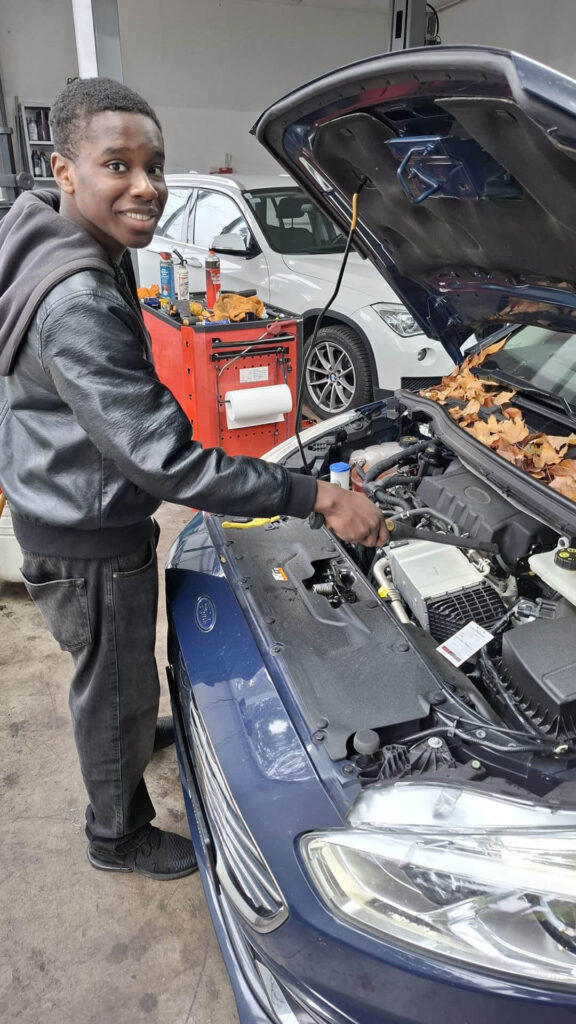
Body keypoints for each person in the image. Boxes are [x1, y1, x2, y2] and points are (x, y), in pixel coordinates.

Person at [0, 78, 388, 882]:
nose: (145, 186)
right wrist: (314, 494)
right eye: (118, 165)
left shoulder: (58, 239)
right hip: (86, 530)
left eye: (155, 165)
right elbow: (165, 459)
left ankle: (135, 734)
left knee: (122, 673)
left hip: (77, 501)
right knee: (107, 684)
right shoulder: (76, 298)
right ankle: (116, 834)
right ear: (64, 168)